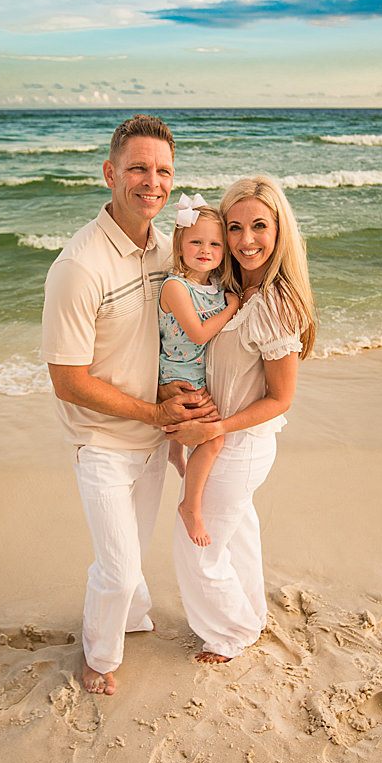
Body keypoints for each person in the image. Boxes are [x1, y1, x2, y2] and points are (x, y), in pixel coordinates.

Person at [40, 113, 222, 695]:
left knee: (133, 552)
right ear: (110, 173)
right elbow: (67, 380)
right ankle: (98, 656)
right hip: (102, 442)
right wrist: (152, 412)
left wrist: (172, 398)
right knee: (117, 568)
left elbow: (168, 336)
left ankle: (133, 617)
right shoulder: (78, 267)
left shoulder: (168, 251)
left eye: (164, 171)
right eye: (139, 168)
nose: (153, 182)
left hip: (154, 438)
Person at [174, 175, 315, 665]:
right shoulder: (229, 289)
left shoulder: (275, 303)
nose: (245, 240)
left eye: (259, 226)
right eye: (234, 228)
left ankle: (230, 635)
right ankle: (250, 616)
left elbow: (281, 399)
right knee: (236, 536)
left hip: (239, 442)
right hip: (222, 441)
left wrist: (214, 429)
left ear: (279, 230)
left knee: (197, 546)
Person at [157, 196, 240, 549]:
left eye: (215, 244)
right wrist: (233, 307)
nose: (205, 250)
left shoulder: (215, 285)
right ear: (180, 244)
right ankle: (190, 507)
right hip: (178, 377)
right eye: (196, 242)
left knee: (206, 435)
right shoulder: (176, 287)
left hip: (197, 374)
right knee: (213, 439)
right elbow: (199, 333)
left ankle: (174, 451)